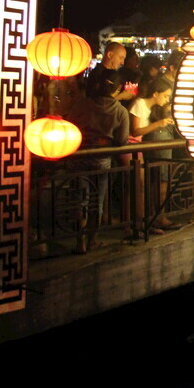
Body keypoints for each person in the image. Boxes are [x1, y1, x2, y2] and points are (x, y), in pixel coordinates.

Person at [65, 69, 130, 253]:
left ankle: (80, 242)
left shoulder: (82, 104)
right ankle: (93, 240)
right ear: (117, 88)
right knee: (97, 200)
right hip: (102, 159)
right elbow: (122, 140)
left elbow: (69, 125)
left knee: (80, 199)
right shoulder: (120, 110)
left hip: (79, 157)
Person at [129, 77, 179, 234]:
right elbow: (135, 131)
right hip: (132, 148)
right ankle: (140, 223)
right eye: (165, 96)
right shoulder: (139, 104)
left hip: (142, 149)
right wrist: (158, 124)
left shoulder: (156, 108)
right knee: (141, 186)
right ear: (155, 94)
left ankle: (151, 220)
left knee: (151, 183)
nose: (166, 99)